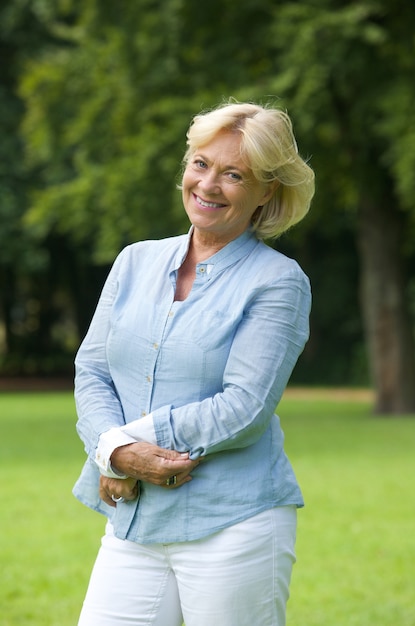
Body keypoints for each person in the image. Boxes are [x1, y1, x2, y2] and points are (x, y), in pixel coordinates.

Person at [73, 100, 315, 626]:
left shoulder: (278, 282)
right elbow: (92, 371)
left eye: (234, 174)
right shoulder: (134, 260)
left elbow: (245, 406)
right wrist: (113, 451)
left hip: (234, 524)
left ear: (266, 191)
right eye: (201, 163)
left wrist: (122, 447)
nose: (208, 185)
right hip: (134, 521)